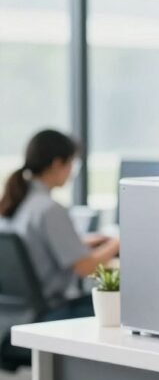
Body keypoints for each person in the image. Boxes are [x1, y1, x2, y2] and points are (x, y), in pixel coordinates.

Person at [0, 129, 120, 319]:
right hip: (49, 313)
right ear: (57, 163)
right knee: (120, 307)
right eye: (72, 163)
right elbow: (85, 267)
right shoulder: (49, 209)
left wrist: (83, 243)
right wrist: (118, 242)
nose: (72, 171)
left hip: (16, 314)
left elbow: (32, 247)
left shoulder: (16, 201)